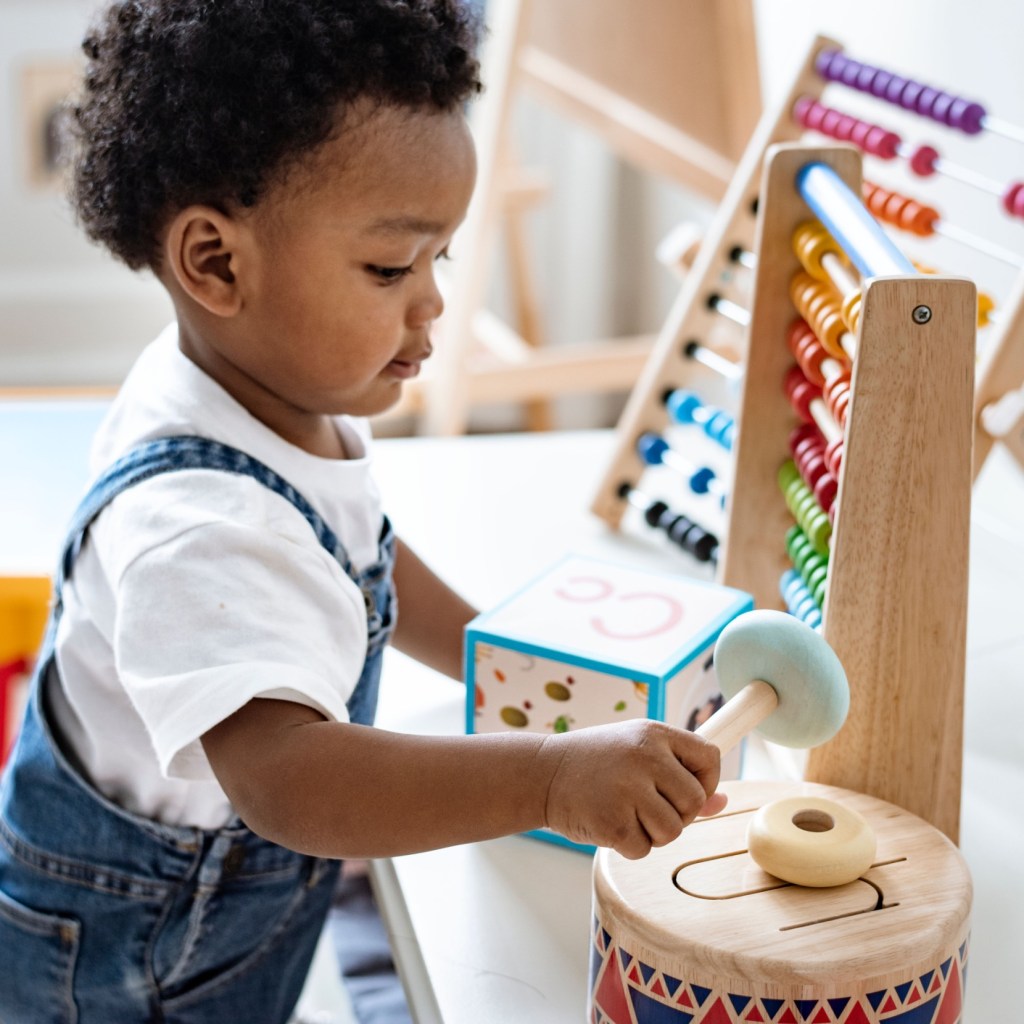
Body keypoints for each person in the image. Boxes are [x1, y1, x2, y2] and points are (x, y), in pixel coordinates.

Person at [0, 2, 727, 1021]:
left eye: (437, 257)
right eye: (391, 266)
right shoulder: (197, 526)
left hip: (218, 904)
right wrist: (548, 779)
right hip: (130, 953)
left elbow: (364, 558)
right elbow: (292, 781)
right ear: (215, 262)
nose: (433, 301)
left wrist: (501, 656)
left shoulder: (272, 394)